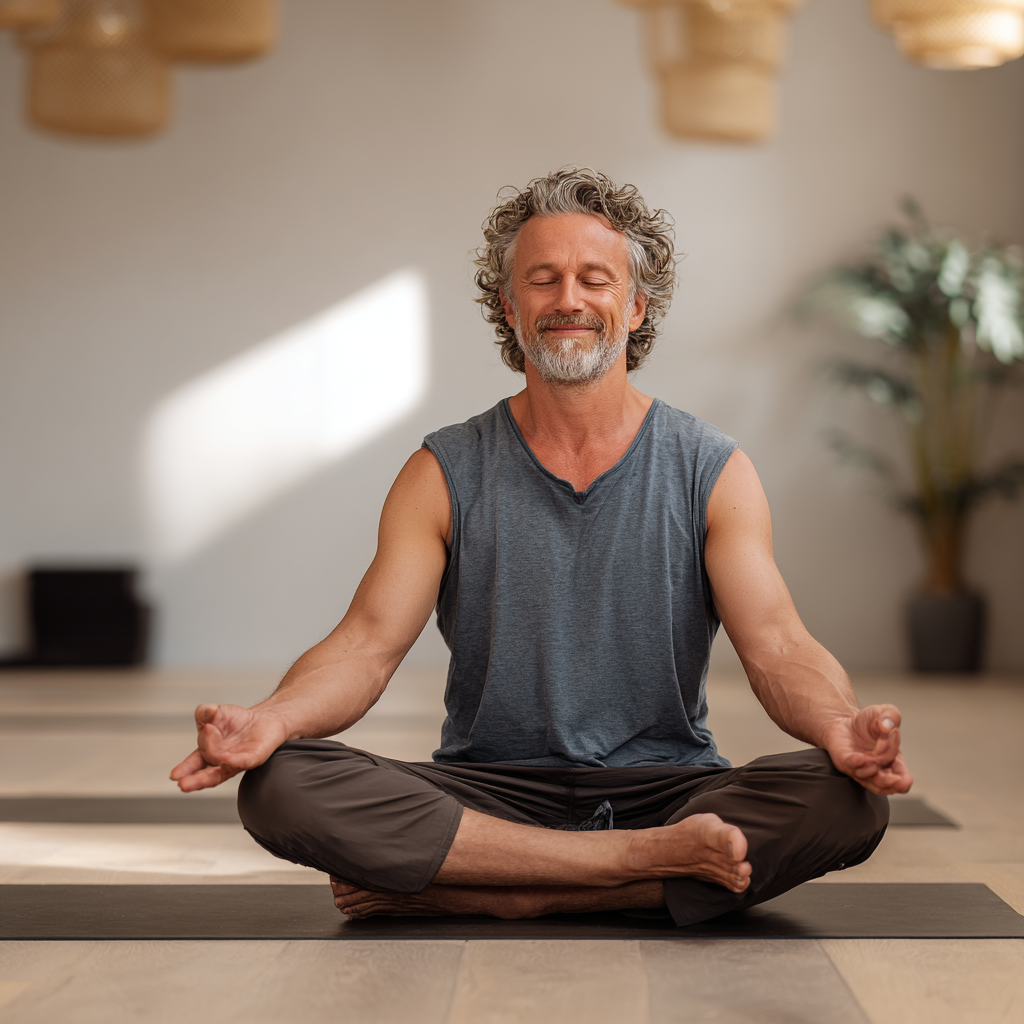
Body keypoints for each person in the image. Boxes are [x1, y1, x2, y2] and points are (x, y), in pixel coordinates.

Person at [170, 168, 912, 927]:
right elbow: (365, 644)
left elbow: (779, 645)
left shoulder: (711, 469)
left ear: (635, 304)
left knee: (846, 800)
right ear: (508, 304)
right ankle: (642, 870)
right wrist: (274, 719)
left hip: (668, 787)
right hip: (489, 791)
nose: (569, 301)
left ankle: (511, 887)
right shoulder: (443, 470)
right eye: (542, 279)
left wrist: (838, 727)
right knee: (282, 783)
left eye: (596, 279)